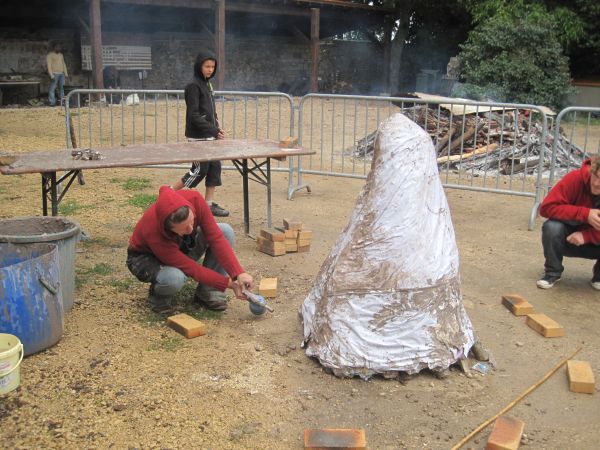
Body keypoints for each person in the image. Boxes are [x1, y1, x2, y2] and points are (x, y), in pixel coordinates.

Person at [127, 185, 254, 314]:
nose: (190, 229)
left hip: (178, 243)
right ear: (169, 228)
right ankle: (159, 296)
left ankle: (208, 292)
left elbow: (216, 237)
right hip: (145, 257)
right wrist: (230, 284)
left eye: (192, 222)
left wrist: (238, 273)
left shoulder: (195, 199)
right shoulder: (153, 232)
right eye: (184, 228)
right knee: (174, 278)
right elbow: (192, 268)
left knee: (225, 231)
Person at [171, 50, 229, 217]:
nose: (210, 69)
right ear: (199, 66)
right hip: (198, 136)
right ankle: (168, 193)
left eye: (213, 66)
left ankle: (209, 204)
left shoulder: (207, 84)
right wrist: (212, 129)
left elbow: (211, 110)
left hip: (210, 135)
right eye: (207, 66)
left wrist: (217, 128)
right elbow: (193, 115)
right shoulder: (193, 86)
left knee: (215, 167)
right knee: (199, 170)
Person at [537, 157, 600, 290]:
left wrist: (587, 236)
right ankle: (552, 272)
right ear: (592, 170)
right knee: (552, 227)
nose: (596, 183)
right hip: (567, 236)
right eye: (595, 176)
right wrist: (585, 214)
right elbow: (546, 208)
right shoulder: (575, 178)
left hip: (594, 241)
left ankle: (599, 276)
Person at [46, 42, 68, 106]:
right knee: (52, 88)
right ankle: (52, 102)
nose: (59, 48)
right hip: (54, 74)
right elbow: (49, 66)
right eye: (58, 47)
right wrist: (51, 75)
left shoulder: (61, 55)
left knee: (62, 88)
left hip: (61, 74)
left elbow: (64, 64)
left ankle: (62, 102)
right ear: (54, 47)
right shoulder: (49, 55)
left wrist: (66, 73)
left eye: (60, 47)